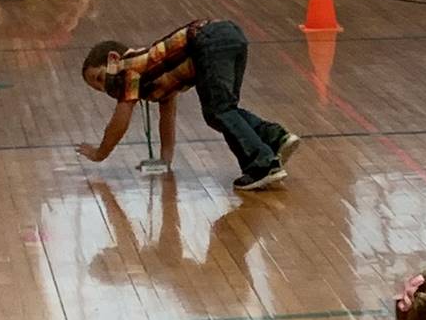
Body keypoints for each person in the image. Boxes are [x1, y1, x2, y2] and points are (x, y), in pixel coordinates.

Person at [78, 19, 297, 191]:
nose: (104, 89)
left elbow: (120, 120)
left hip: (208, 39)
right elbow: (167, 118)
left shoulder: (129, 68)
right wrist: (164, 161)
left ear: (114, 59)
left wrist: (100, 153)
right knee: (224, 110)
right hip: (230, 35)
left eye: (99, 78)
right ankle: (274, 138)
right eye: (98, 89)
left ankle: (262, 165)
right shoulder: (154, 76)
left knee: (218, 111)